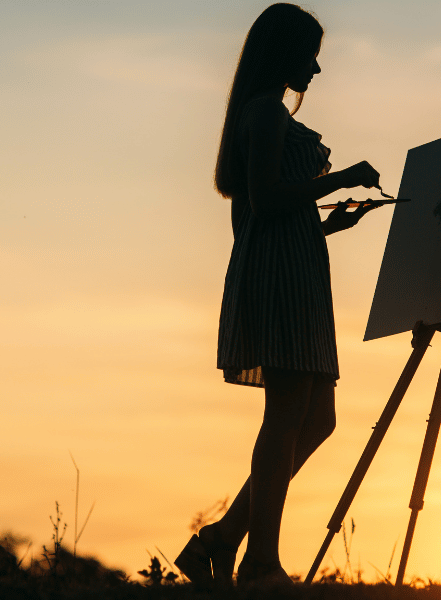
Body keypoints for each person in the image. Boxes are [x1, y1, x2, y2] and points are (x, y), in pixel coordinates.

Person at [174, 2, 384, 589]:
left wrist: (325, 224)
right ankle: (260, 563)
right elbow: (264, 201)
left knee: (317, 417)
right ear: (283, 52)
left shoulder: (265, 112)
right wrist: (340, 179)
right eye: (309, 55)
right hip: (279, 276)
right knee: (289, 413)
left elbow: (272, 209)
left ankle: (220, 539)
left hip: (297, 266)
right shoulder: (264, 111)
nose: (315, 70)